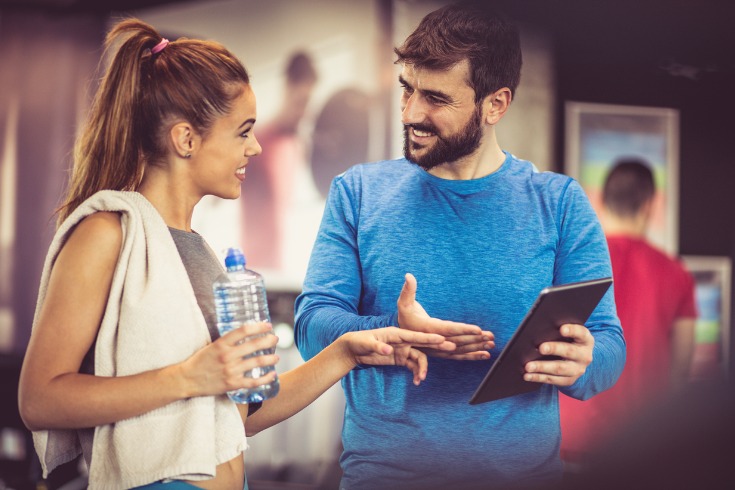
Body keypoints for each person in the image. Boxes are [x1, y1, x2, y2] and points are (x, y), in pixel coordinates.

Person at [16, 19, 456, 490]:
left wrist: (346, 353)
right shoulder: (107, 233)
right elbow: (39, 399)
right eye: (242, 131)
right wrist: (189, 377)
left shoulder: (200, 251)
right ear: (187, 140)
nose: (256, 145)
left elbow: (242, 414)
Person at [293, 2, 625, 489]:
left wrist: (583, 362)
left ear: (495, 104)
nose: (410, 113)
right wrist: (394, 330)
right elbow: (311, 327)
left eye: (435, 98)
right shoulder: (357, 193)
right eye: (407, 89)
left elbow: (609, 346)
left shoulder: (559, 204)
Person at [558, 158, 697, 470]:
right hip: (641, 446)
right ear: (649, 205)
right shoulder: (677, 274)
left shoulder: (571, 264)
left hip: (568, 441)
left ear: (601, 202)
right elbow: (680, 373)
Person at [241, 51, 318, 271]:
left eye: (308, 102)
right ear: (287, 88)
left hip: (287, 268)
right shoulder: (256, 144)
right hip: (256, 267)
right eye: (300, 101)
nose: (304, 112)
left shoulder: (298, 146)